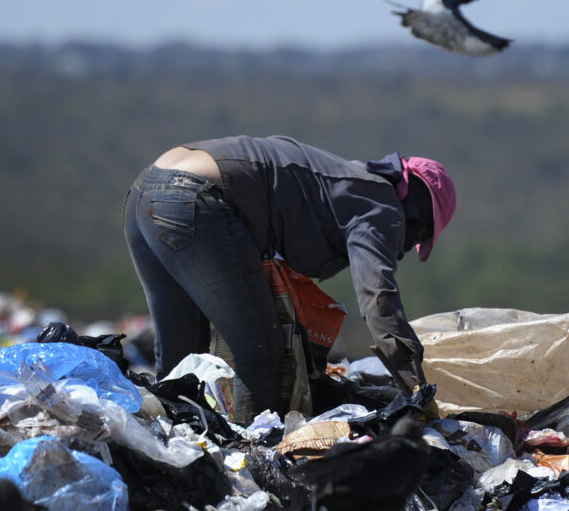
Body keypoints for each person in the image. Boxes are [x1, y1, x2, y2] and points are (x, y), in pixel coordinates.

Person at [123, 135, 456, 422]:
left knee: (182, 358)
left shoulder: (348, 183)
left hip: (145, 194)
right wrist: (417, 390)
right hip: (193, 199)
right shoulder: (381, 206)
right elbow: (379, 300)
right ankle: (254, 452)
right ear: (417, 209)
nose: (407, 247)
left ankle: (169, 440)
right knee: (259, 351)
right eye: (421, 233)